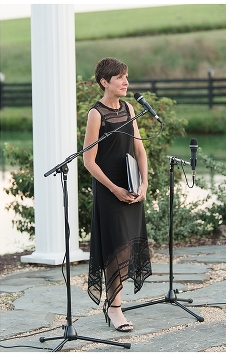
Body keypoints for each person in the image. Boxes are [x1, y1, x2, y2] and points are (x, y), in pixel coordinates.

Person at [83, 57, 151, 332]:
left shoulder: (129, 108)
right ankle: (115, 309)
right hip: (110, 190)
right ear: (104, 82)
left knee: (128, 246)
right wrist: (114, 189)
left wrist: (144, 183)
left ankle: (114, 304)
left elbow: (139, 149)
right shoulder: (95, 114)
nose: (126, 82)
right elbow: (89, 161)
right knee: (116, 248)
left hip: (132, 186)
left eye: (126, 76)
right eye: (120, 77)